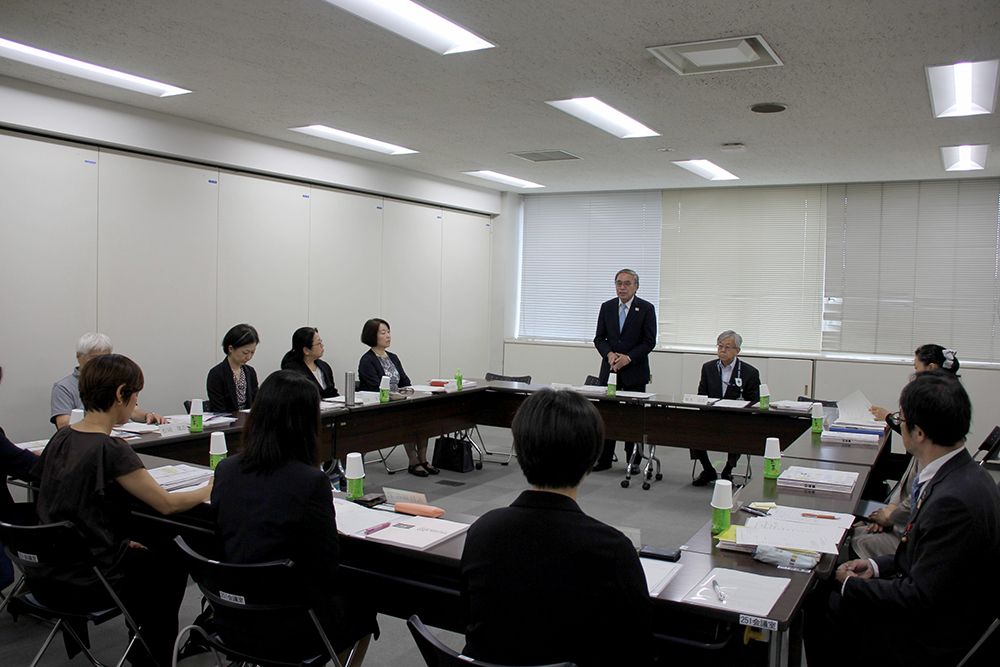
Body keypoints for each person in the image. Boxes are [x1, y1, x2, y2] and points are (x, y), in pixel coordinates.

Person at [804, 370, 1000, 667]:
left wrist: (852, 586)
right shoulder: (961, 474)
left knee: (822, 604)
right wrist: (873, 565)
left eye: (900, 420)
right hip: (939, 601)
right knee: (825, 591)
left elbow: (919, 596)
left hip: (932, 635)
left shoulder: (953, 501)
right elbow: (924, 554)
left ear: (919, 433)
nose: (898, 425)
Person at [31, 354, 213, 667]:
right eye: (136, 396)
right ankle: (151, 654)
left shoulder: (61, 438)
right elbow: (166, 504)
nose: (135, 404)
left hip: (49, 573)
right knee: (170, 560)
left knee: (149, 547)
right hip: (91, 580)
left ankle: (145, 643)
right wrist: (212, 486)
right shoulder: (110, 448)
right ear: (120, 394)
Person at [461, 388, 653, 667]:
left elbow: (469, 618)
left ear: (521, 449)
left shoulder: (482, 530)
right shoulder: (612, 549)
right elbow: (640, 648)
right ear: (592, 455)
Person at [211, 370, 376, 665]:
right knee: (365, 604)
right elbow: (327, 565)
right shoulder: (310, 481)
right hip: (292, 628)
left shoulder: (226, 470)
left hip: (230, 616)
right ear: (305, 423)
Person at [854, 345, 961, 557]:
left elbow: (917, 494)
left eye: (901, 420)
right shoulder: (930, 455)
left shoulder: (941, 474)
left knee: (851, 540)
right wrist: (889, 512)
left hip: (908, 538)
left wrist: (891, 517)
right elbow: (908, 487)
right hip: (902, 522)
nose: (898, 424)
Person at [592, 269, 657, 472]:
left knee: (632, 418)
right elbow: (599, 338)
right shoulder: (607, 307)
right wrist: (609, 355)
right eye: (619, 283)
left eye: (627, 283)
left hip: (634, 372)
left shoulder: (646, 308)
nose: (622, 287)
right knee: (607, 416)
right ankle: (604, 458)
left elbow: (649, 341)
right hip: (610, 370)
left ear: (636, 286)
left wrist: (628, 358)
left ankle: (634, 460)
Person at [358, 318, 437, 477]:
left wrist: (403, 393)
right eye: (383, 332)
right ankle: (413, 461)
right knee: (408, 419)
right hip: (380, 407)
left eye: (388, 332)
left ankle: (423, 460)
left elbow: (405, 381)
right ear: (372, 336)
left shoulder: (392, 357)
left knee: (423, 418)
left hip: (399, 402)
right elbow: (375, 388)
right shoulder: (367, 360)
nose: (388, 336)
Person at [690, 330, 761, 485]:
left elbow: (754, 401)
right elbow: (702, 394)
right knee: (693, 427)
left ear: (737, 351)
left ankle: (728, 470)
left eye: (727, 347)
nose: (722, 350)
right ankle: (708, 470)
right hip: (712, 416)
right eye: (720, 346)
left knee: (740, 431)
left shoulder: (750, 372)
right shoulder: (708, 368)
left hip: (736, 418)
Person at [50, 332, 163, 429]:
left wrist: (147, 415)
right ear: (79, 357)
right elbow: (63, 423)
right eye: (95, 358)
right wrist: (105, 419)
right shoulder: (64, 387)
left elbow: (129, 408)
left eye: (106, 357)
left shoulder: (112, 380)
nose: (101, 363)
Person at [1, 365, 40, 591]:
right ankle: (43, 584)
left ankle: (34, 585)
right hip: (3, 517)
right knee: (53, 519)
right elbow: (28, 468)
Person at [206, 323, 260, 412]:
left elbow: (256, 402)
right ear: (231, 348)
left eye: (252, 352)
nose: (249, 357)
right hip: (228, 424)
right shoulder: (217, 374)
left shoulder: (250, 372)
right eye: (245, 353)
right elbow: (219, 410)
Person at [280, 326, 339, 399]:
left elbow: (332, 392)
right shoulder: (293, 371)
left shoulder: (324, 366)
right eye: (318, 343)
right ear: (306, 350)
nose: (322, 345)